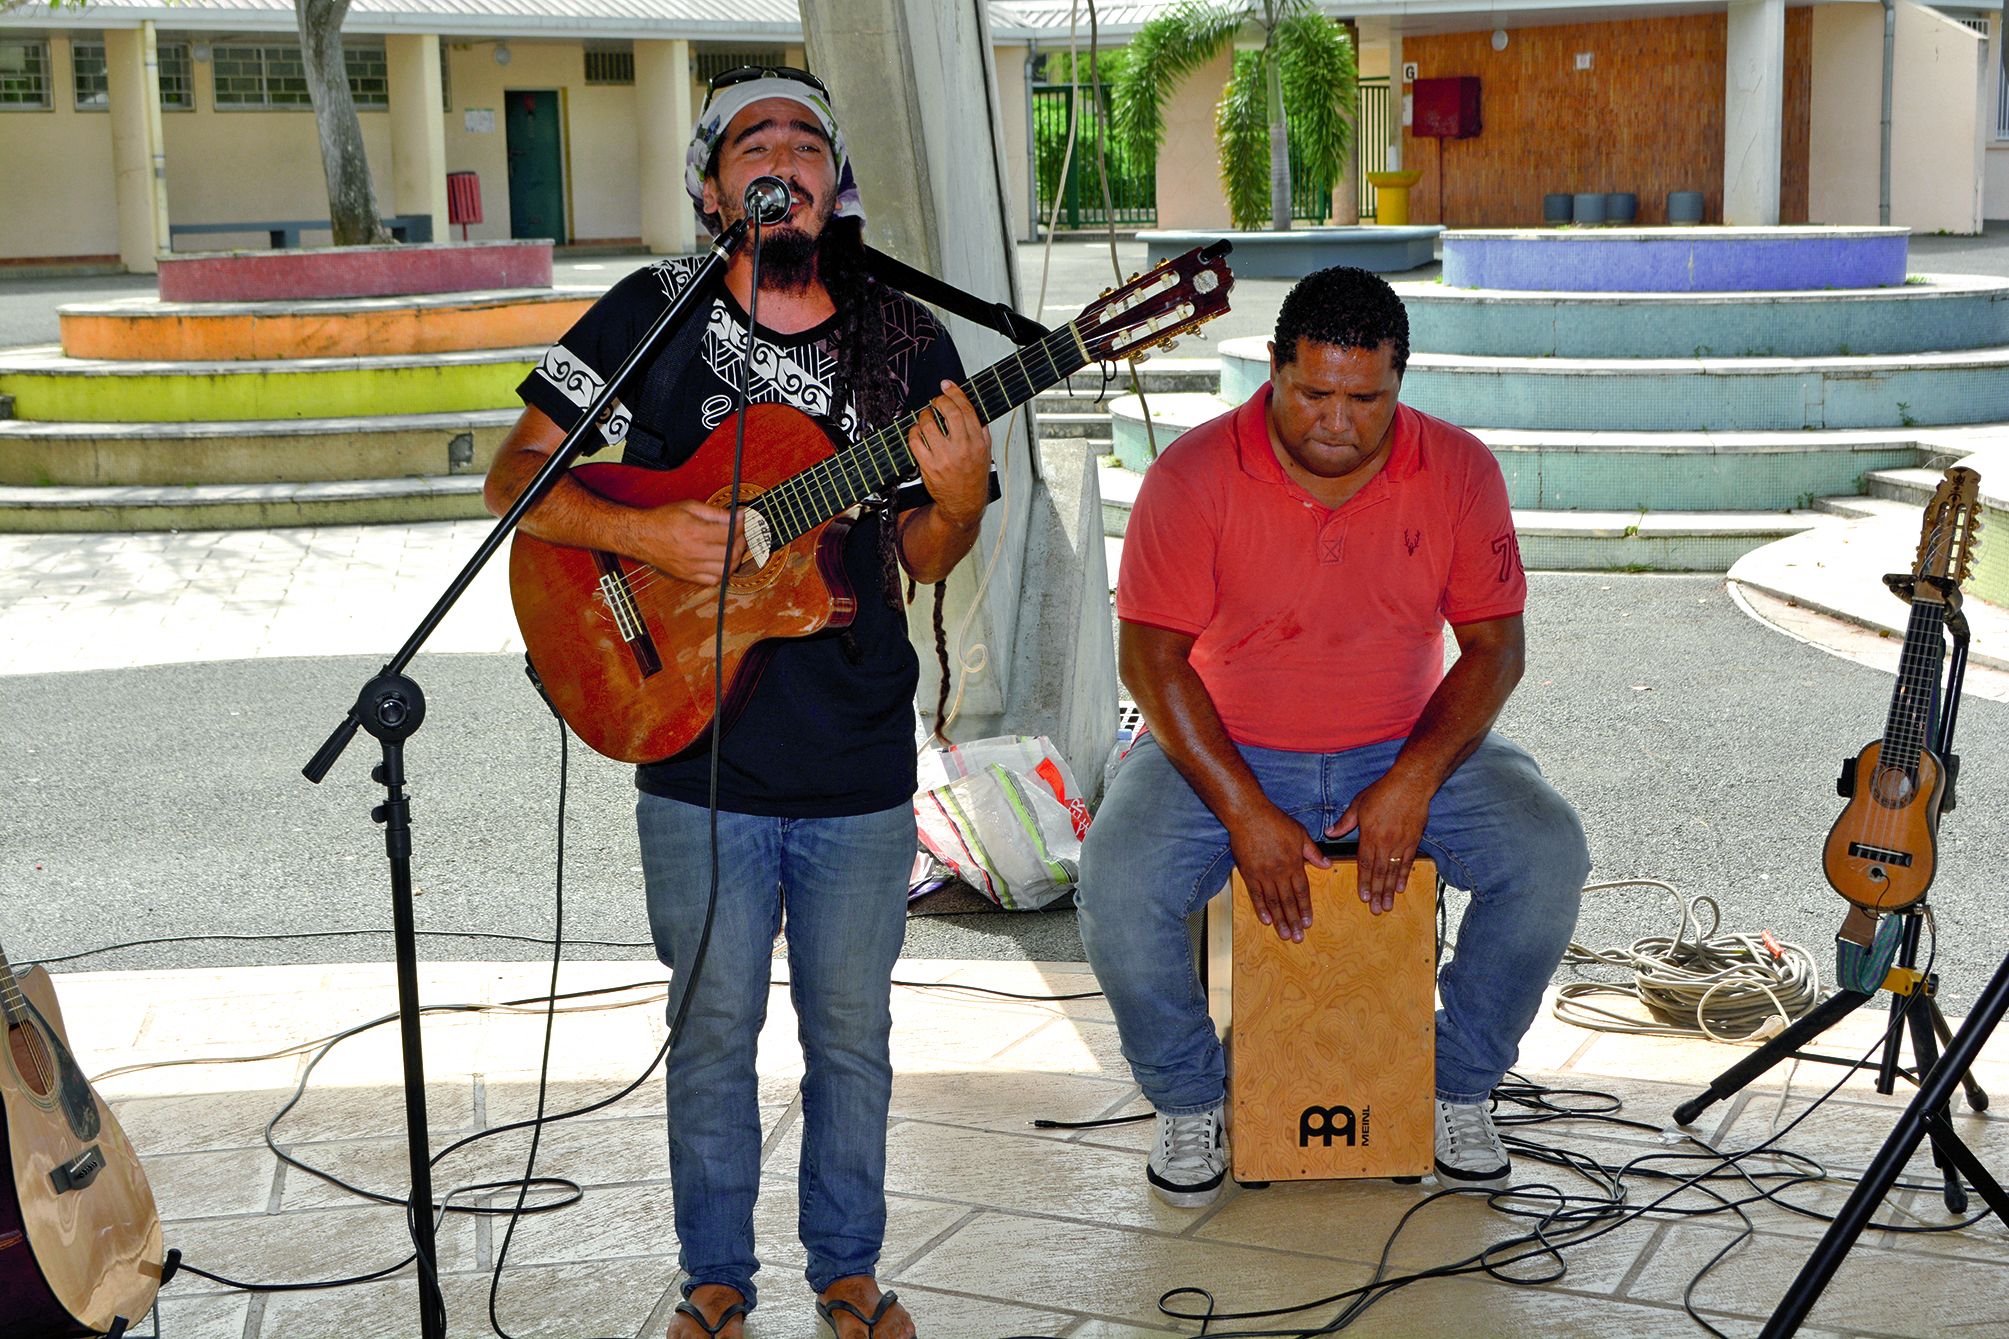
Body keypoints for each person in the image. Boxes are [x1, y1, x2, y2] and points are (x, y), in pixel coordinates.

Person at [483, 66, 992, 1339]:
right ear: (711, 185)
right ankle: (715, 1277)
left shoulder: (901, 338)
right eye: (750, 142)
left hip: (857, 752)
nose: (782, 156)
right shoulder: (650, 314)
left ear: (837, 181)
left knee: (851, 1040)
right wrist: (651, 542)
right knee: (710, 1032)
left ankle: (848, 1271)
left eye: (806, 141)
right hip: (690, 738)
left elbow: (921, 553)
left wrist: (966, 502)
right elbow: (518, 478)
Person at [1077, 265, 1587, 1208]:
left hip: (1405, 740)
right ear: (1272, 369)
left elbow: (1493, 649)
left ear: (1400, 382)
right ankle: (1191, 1098)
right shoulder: (1191, 473)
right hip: (1218, 745)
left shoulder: (1459, 467)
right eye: (1313, 392)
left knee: (1546, 853)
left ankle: (1458, 1084)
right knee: (1116, 881)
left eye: (1367, 399)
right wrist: (1241, 808)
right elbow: (1151, 663)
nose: (1339, 422)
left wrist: (1412, 782)